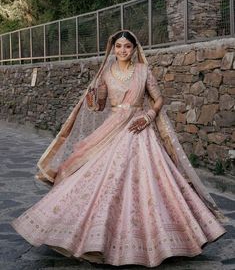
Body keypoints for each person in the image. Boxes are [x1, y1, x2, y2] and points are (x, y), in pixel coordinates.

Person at [11, 30, 227, 267]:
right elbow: (98, 105)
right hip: (113, 128)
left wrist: (149, 116)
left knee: (152, 181)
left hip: (138, 128)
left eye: (127, 47)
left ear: (134, 49)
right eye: (118, 46)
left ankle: (164, 240)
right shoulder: (105, 72)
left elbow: (158, 99)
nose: (122, 51)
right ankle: (93, 240)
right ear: (112, 49)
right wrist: (93, 99)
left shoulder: (143, 71)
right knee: (100, 177)